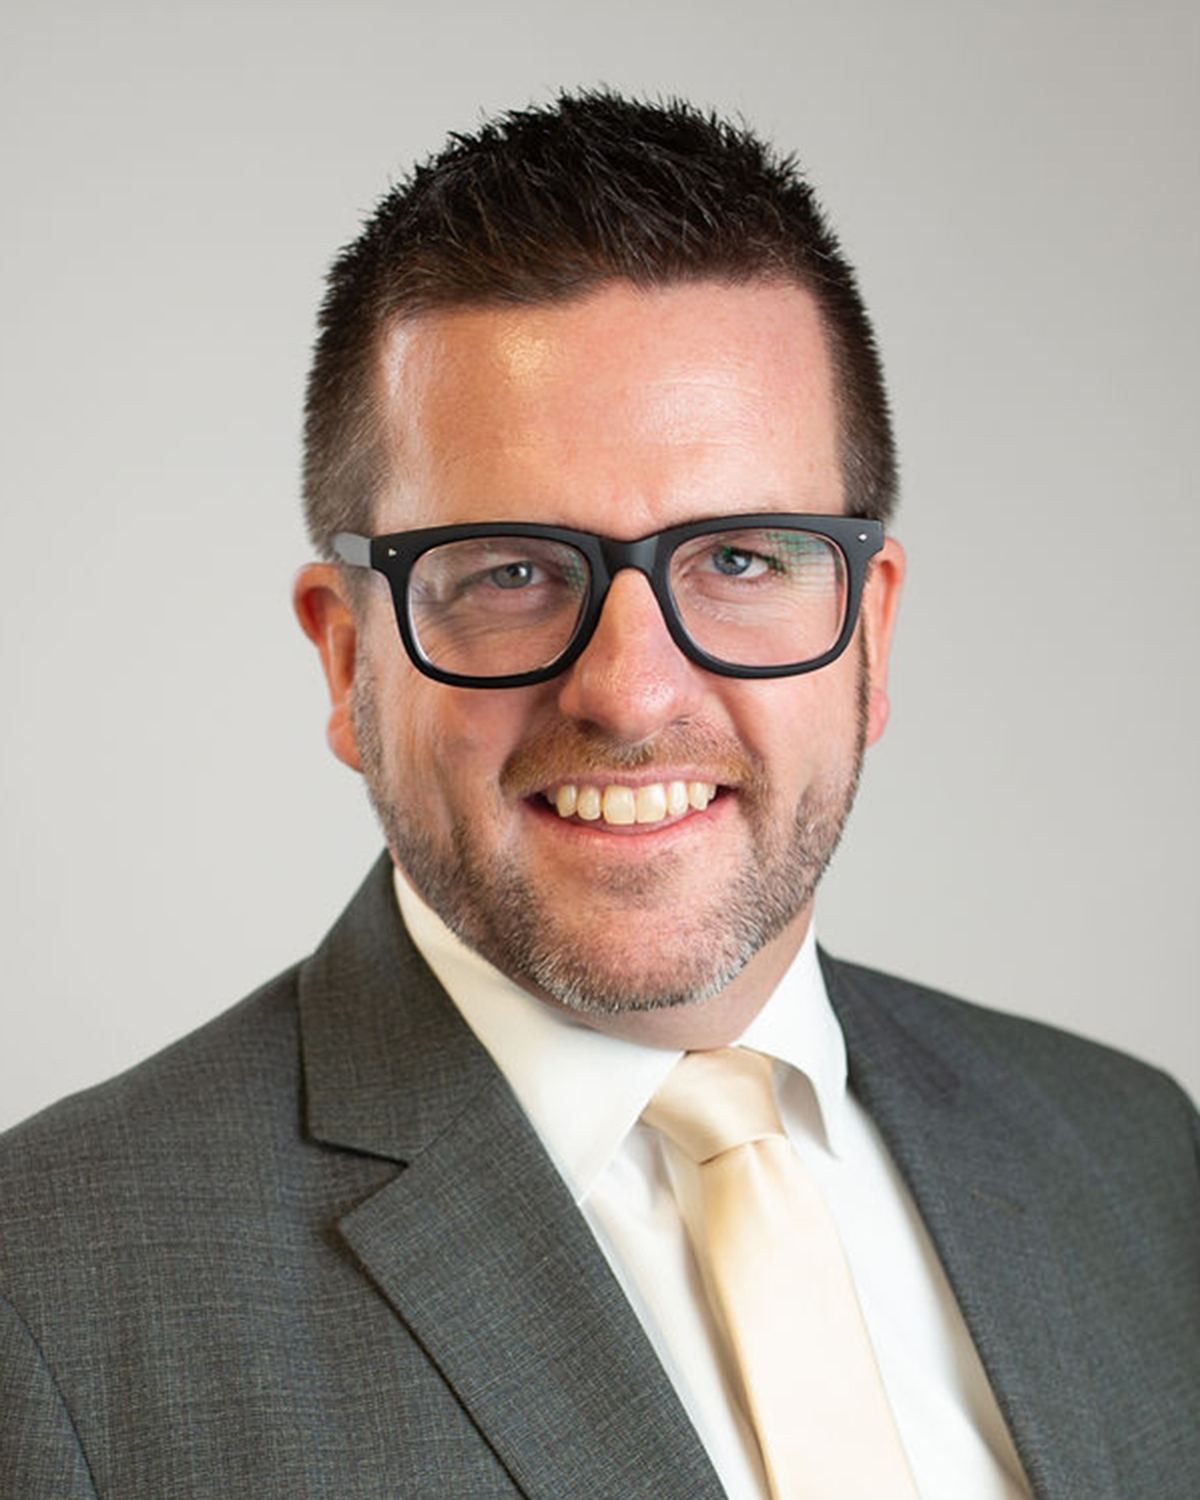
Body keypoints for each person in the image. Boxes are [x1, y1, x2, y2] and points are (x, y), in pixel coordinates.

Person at [1, 91, 1197, 1500]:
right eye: (511, 571)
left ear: (870, 634)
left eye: (740, 560)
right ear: (346, 657)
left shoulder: (1136, 1157)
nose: (630, 694)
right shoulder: (49, 1304)